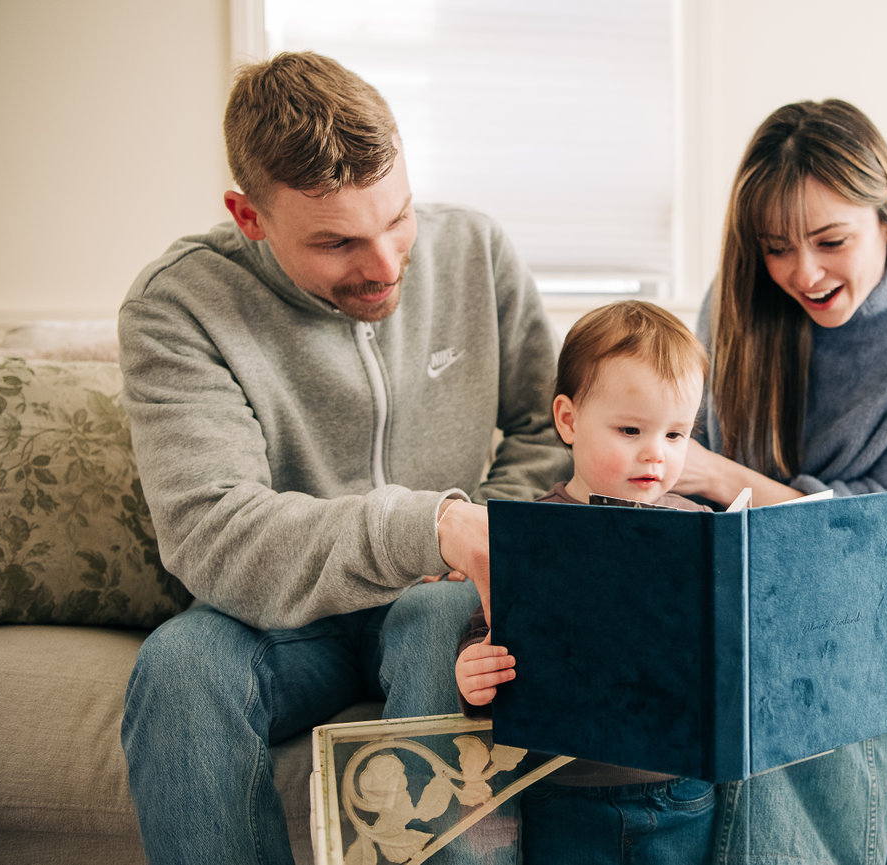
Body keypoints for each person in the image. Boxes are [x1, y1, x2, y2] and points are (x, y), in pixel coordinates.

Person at [117, 51, 569, 865]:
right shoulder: (179, 304)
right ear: (248, 217)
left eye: (398, 219)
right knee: (180, 664)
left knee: (441, 624)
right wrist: (431, 526)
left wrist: (477, 533)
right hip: (285, 617)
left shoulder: (476, 249)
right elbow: (212, 530)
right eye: (337, 243)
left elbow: (547, 432)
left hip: (438, 597)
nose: (387, 265)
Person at [673, 100, 887, 863]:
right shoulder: (737, 309)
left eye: (832, 240)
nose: (804, 273)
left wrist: (714, 473)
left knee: (789, 643)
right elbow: (683, 479)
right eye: (776, 248)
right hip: (764, 576)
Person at [455, 300, 717, 864]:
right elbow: (488, 624)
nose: (656, 453)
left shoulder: (700, 527)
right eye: (630, 429)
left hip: (685, 788)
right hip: (564, 792)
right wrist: (473, 668)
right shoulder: (533, 531)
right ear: (568, 421)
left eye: (676, 435)